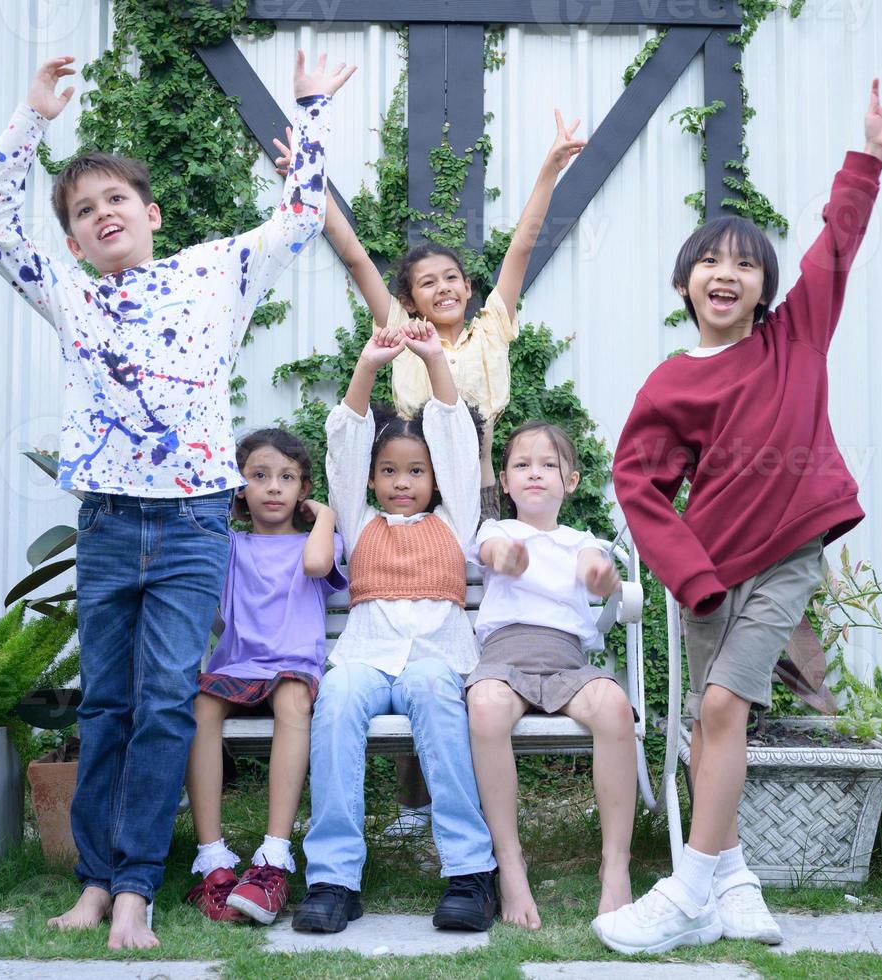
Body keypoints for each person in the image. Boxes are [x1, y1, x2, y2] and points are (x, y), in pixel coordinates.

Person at [0, 51, 355, 950]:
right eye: (81, 211)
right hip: (106, 519)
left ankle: (137, 886)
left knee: (165, 706)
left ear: (151, 214)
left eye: (114, 201)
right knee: (104, 704)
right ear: (70, 242)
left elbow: (303, 214)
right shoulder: (67, 292)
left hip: (188, 525)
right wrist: (31, 120)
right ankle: (95, 883)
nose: (101, 215)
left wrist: (309, 111)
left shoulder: (216, 273)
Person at [597, 77, 882, 955]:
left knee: (727, 706)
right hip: (709, 574)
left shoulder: (795, 335)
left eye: (743, 262)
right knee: (710, 723)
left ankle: (684, 890)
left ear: (765, 284)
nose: (724, 272)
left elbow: (835, 245)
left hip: (784, 559)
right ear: (685, 283)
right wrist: (691, 577)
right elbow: (637, 485)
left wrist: (871, 154)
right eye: (708, 261)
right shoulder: (670, 381)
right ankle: (733, 878)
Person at [273, 107, 589, 839]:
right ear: (408, 298)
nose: (442, 288)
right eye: (426, 282)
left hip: (478, 487)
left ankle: (455, 785)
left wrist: (548, 166)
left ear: (467, 287)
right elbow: (354, 258)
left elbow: (522, 245)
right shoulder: (399, 330)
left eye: (451, 277)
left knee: (464, 624)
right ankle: (416, 803)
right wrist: (309, 185)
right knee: (403, 618)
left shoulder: (491, 327)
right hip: (409, 484)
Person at [292, 321, 497, 934]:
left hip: (436, 656)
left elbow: (458, 442)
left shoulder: (455, 523)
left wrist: (435, 358)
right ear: (373, 479)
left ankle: (468, 871)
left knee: (437, 697)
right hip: (366, 655)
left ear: (434, 480)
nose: (401, 483)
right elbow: (345, 445)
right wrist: (366, 368)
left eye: (414, 472)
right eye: (389, 471)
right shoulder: (356, 521)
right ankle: (333, 878)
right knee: (333, 706)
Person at [466, 421, 635, 930]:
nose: (534, 474)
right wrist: (509, 559)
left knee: (612, 706)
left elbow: (594, 571)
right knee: (487, 707)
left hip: (566, 660)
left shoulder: (581, 539)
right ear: (505, 480)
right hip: (505, 655)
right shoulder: (497, 531)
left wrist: (602, 578)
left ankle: (616, 865)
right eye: (522, 465)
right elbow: (493, 556)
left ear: (572, 481)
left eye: (548, 465)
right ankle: (510, 863)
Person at [183, 429, 345, 926]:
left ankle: (273, 857)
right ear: (239, 488)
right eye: (259, 476)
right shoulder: (229, 545)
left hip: (294, 666)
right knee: (200, 705)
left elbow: (317, 565)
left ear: (303, 490)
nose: (273, 488)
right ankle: (213, 860)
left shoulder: (320, 541)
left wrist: (329, 516)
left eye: (286, 478)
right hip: (238, 666)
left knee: (294, 700)